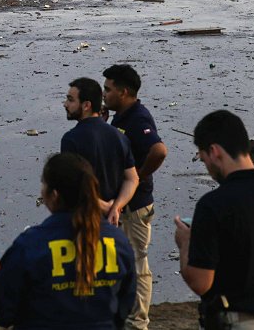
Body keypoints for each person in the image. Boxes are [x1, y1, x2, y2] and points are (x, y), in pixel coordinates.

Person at [173, 110, 254, 330]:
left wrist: (186, 242)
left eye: (204, 158)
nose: (207, 166)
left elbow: (200, 282)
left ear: (214, 151)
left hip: (234, 321)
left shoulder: (212, 205)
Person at [0, 152, 136, 329]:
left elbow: (0, 311)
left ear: (54, 195)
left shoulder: (31, 245)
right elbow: (125, 304)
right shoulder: (118, 241)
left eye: (44, 184)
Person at [102, 64, 167, 330]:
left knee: (137, 264)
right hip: (122, 205)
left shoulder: (138, 118)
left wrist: (137, 177)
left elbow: (159, 151)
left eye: (108, 89)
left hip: (135, 206)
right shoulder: (120, 116)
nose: (104, 94)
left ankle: (138, 321)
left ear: (124, 91)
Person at [60, 77, 138, 226]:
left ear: (86, 105)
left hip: (84, 221)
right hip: (112, 222)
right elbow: (132, 179)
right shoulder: (119, 136)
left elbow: (72, 186)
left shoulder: (71, 139)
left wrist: (104, 206)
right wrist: (116, 206)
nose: (65, 104)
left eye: (70, 100)